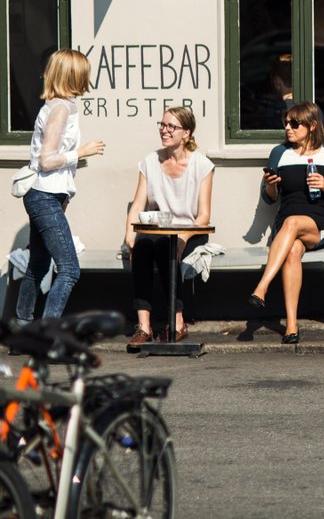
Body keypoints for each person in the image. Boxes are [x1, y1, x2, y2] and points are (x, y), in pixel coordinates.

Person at [249, 101, 324, 344]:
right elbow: (269, 200)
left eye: (294, 123)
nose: (288, 127)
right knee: (293, 250)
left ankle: (262, 286)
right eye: (285, 122)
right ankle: (292, 326)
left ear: (312, 125)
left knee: (293, 223)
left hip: (320, 225)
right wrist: (270, 185)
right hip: (287, 223)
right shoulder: (279, 153)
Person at [17, 49, 105, 325]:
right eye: (83, 73)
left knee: (39, 265)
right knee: (69, 269)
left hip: (45, 196)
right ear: (73, 76)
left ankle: (23, 330)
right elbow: (46, 159)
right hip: (43, 196)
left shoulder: (60, 105)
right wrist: (81, 152)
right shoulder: (60, 109)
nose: (87, 78)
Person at [122, 107, 214, 347]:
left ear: (186, 133)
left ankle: (177, 321)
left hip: (190, 230)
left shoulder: (202, 165)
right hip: (158, 228)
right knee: (142, 246)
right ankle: (143, 327)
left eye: (171, 126)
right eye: (162, 125)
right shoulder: (150, 162)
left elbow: (203, 216)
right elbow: (138, 203)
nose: (164, 130)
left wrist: (183, 237)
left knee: (167, 247)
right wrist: (129, 234)